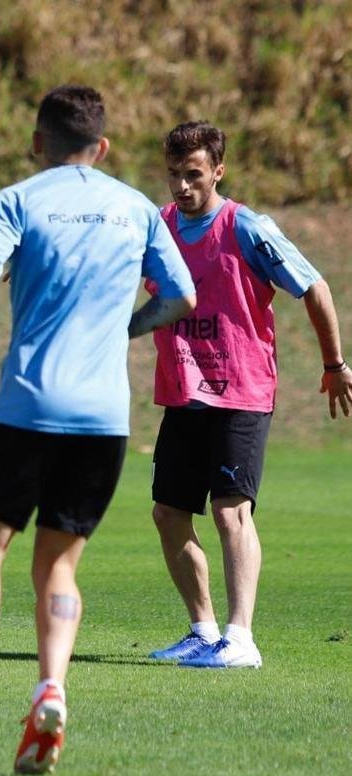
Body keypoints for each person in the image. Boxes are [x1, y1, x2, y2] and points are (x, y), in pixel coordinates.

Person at [0, 86, 196, 775]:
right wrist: (125, 328)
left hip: (28, 409)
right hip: (102, 419)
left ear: (38, 142)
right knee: (58, 563)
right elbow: (180, 296)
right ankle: (49, 690)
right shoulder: (134, 208)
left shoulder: (17, 199)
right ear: (101, 147)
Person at [145, 121, 351, 669]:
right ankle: (202, 629)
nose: (181, 186)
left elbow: (315, 287)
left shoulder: (246, 228)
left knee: (230, 510)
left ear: (218, 170)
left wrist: (334, 364)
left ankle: (241, 638)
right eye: (173, 175)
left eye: (193, 175)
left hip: (240, 392)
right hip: (183, 393)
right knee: (169, 513)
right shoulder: (158, 226)